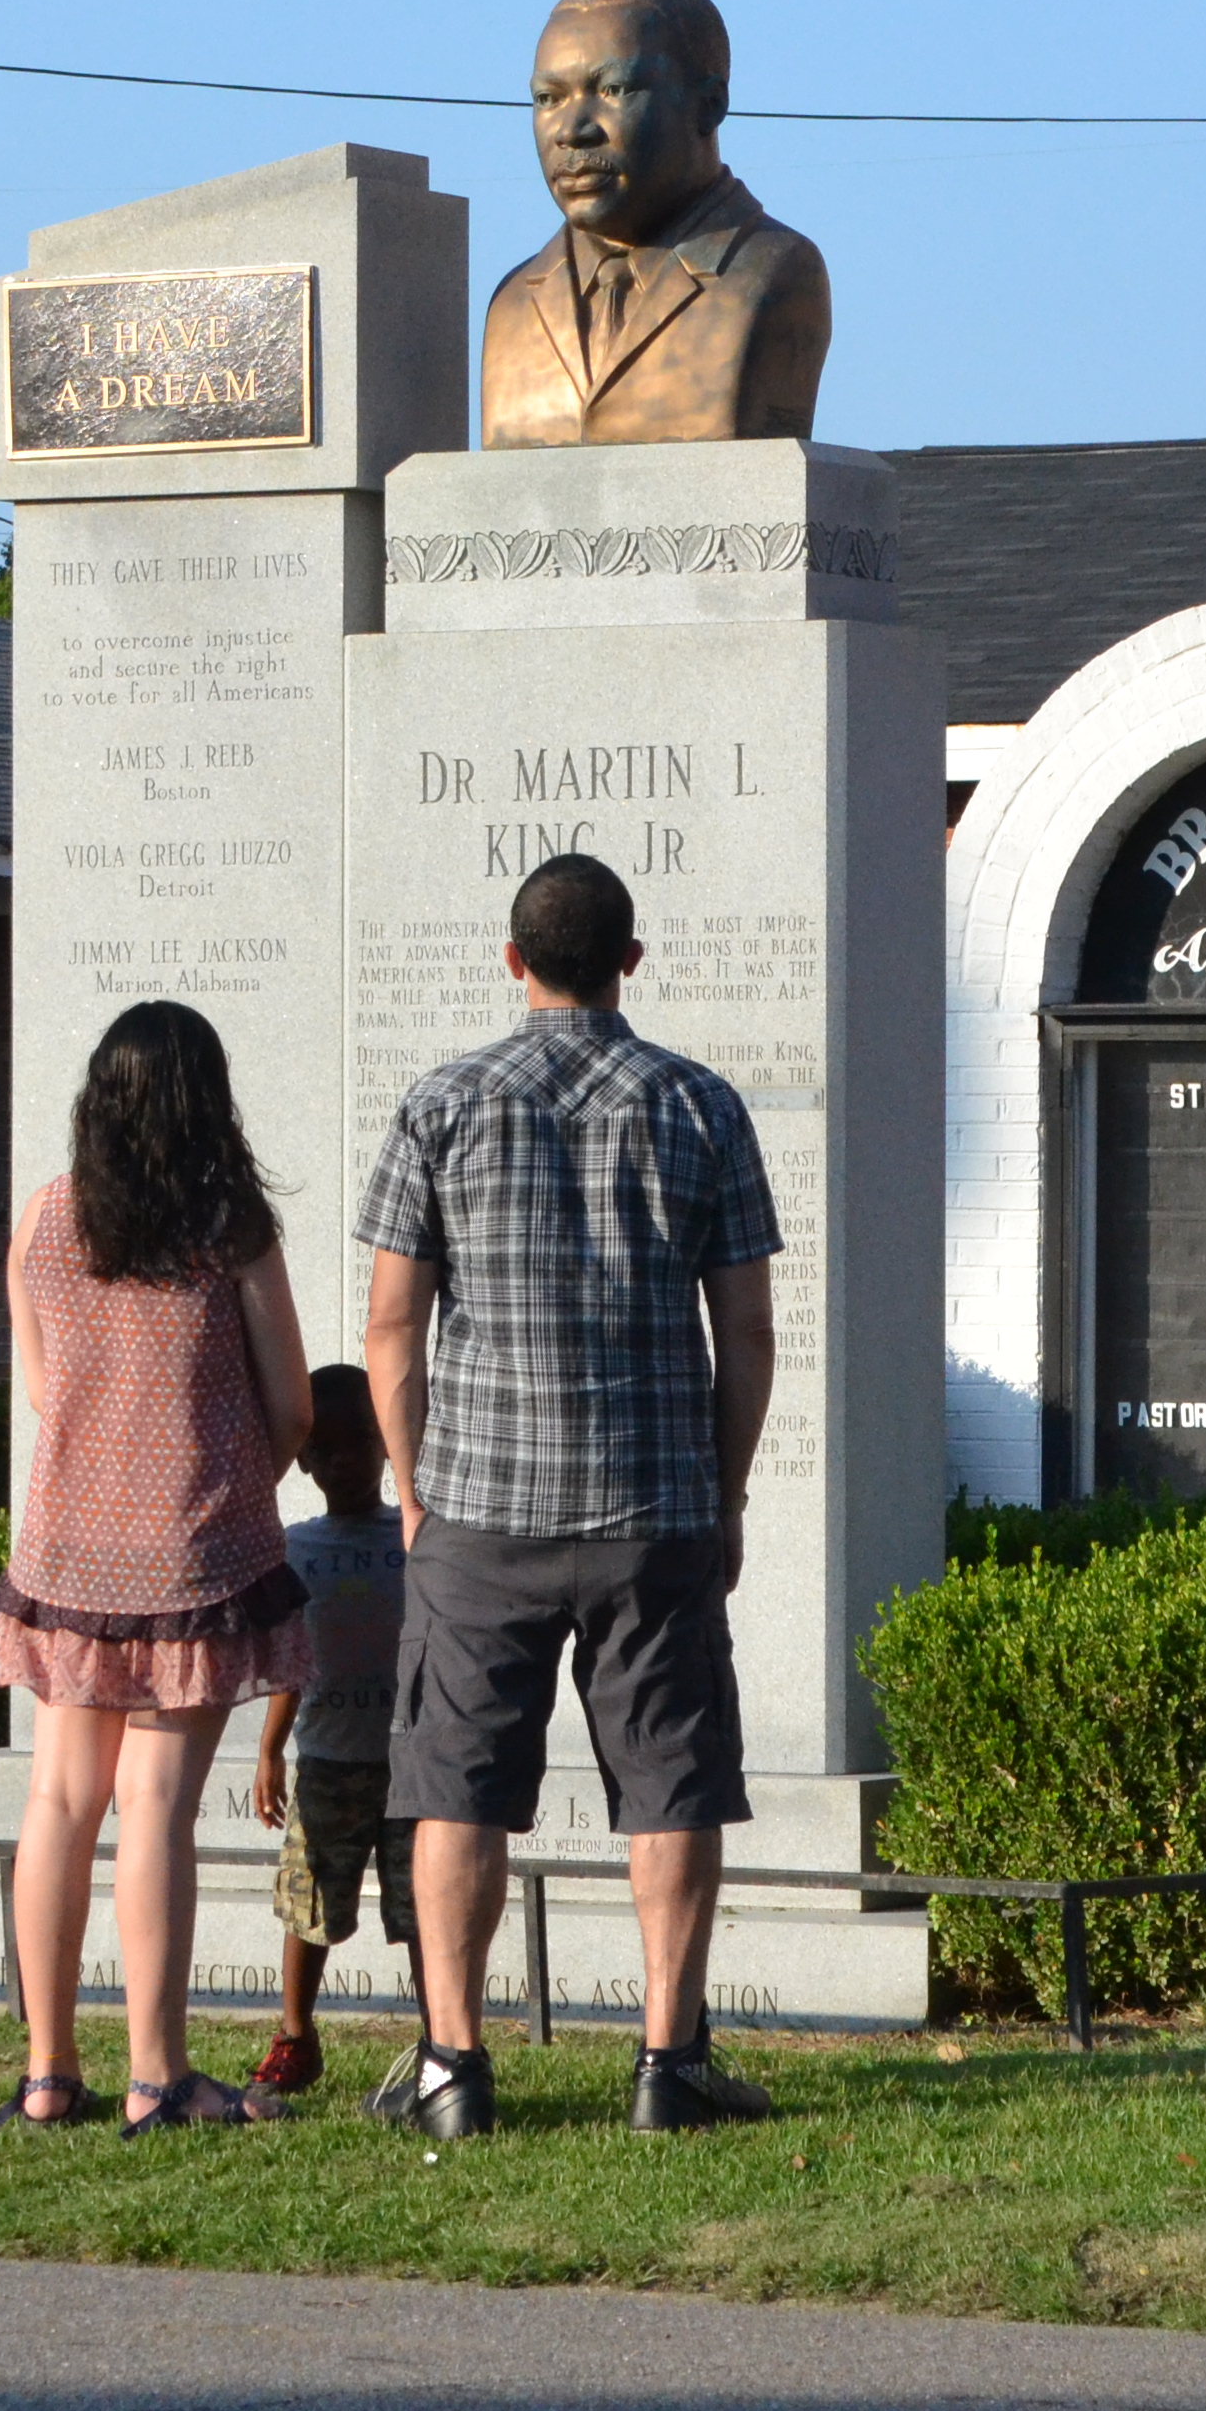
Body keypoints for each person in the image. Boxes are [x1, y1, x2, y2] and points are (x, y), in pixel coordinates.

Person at [356, 852, 784, 2140]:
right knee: (670, 1782)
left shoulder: (441, 1103)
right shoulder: (699, 1105)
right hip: (654, 1505)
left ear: (511, 960)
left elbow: (390, 1325)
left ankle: (452, 2067)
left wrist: (414, 1484)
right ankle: (669, 2062)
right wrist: (729, 1490)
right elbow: (750, 1333)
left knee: (458, 1787)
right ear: (630, 963)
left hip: (478, 1507)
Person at [0, 999, 315, 2139]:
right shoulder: (232, 1228)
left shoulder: (44, 1217)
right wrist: (228, 1473)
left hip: (69, 1547)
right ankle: (158, 2075)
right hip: (193, 1548)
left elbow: (39, 1387)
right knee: (156, 1812)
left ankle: (45, 2073)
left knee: (59, 1799)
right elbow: (293, 1405)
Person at [478, 0, 831, 450]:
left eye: (614, 90)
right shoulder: (512, 303)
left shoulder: (774, 273)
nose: (572, 130)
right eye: (548, 98)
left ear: (708, 105)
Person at [244, 1365, 408, 2098]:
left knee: (424, 1908)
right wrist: (269, 1750)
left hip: (412, 1764)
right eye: (328, 1446)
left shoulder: (415, 1537)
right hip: (331, 1760)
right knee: (309, 1902)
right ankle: (295, 2035)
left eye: (361, 1441)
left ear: (387, 1444)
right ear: (304, 1459)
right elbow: (290, 1662)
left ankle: (443, 2036)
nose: (345, 1459)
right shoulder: (295, 1548)